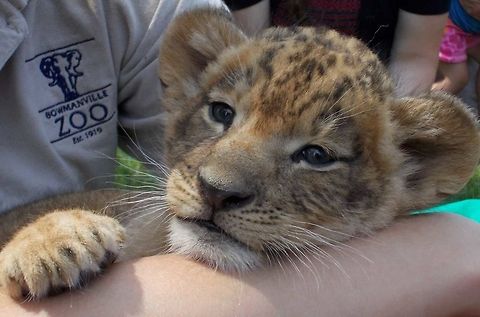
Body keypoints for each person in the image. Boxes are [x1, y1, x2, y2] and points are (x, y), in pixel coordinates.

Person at [1, 0, 480, 315]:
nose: (219, 178)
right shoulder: (98, 220)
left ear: (414, 167)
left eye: (316, 154)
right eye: (222, 113)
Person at [225, 0, 450, 97]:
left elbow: (415, 57)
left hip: (370, 99)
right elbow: (253, 48)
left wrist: (387, 124)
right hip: (272, 93)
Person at [432, 0, 480, 105]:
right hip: (449, 25)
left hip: (472, 31)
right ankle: (416, 108)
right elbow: (475, 9)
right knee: (456, 78)